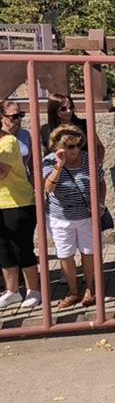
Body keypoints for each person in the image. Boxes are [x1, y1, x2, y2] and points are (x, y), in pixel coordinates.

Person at [42, 125, 106, 309]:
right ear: (58, 146)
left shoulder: (88, 159)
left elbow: (101, 183)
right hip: (60, 217)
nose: (75, 150)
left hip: (86, 216)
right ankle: (73, 291)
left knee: (89, 252)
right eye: (70, 146)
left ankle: (90, 289)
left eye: (78, 145)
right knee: (65, 254)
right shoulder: (49, 161)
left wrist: (100, 203)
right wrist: (59, 166)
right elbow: (48, 188)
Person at [0, 121, 41, 310]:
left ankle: (34, 290)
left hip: (17, 202)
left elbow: (2, 172)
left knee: (21, 248)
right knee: (3, 250)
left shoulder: (8, 141)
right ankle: (12, 291)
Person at [41, 93, 105, 162]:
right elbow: (47, 155)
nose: (68, 111)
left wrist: (97, 164)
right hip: (60, 167)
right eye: (63, 109)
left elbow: (99, 147)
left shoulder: (84, 125)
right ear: (54, 111)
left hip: (84, 166)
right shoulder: (45, 130)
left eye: (71, 107)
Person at [2, 101, 32, 183]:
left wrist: (33, 181)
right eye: (14, 116)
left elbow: (32, 163)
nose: (19, 119)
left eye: (21, 115)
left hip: (23, 183)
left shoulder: (25, 134)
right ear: (2, 117)